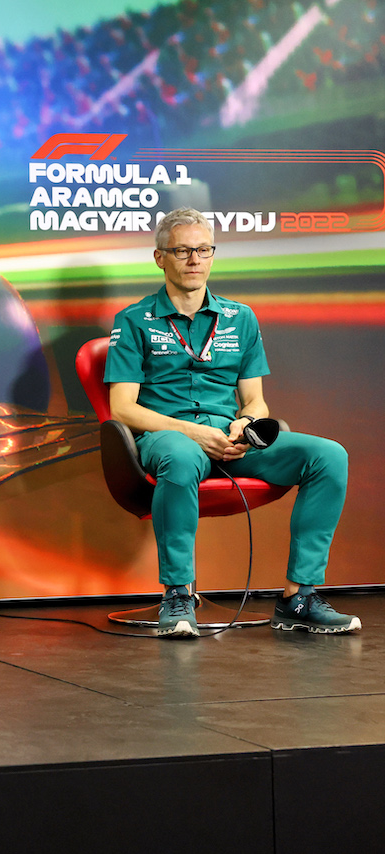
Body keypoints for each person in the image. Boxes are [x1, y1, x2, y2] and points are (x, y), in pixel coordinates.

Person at [105, 207, 356, 638]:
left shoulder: (240, 318)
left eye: (202, 249)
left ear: (213, 255)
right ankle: (179, 596)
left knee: (329, 456)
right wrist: (193, 431)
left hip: (230, 440)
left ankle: (298, 597)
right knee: (181, 459)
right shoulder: (133, 320)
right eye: (182, 250)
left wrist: (245, 424)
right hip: (168, 437)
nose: (194, 259)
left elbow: (255, 398)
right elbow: (122, 408)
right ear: (160, 257)